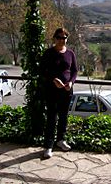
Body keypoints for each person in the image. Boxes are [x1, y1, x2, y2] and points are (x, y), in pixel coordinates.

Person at [40, 27, 78, 159]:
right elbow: (42, 71)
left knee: (63, 116)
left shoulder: (70, 54)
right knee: (51, 117)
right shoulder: (49, 53)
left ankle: (61, 140)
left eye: (64, 38)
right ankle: (48, 146)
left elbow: (74, 71)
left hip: (66, 91)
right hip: (51, 90)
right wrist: (53, 79)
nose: (62, 40)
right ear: (55, 38)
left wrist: (71, 82)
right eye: (59, 37)